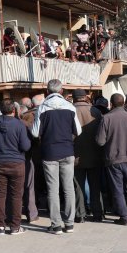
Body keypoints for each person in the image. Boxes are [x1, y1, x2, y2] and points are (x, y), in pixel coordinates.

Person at [32, 79, 82, 235]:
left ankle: (56, 225)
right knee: (68, 189)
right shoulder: (70, 107)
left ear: (47, 92)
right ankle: (70, 223)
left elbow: (34, 132)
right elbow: (78, 131)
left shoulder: (42, 109)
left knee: (52, 190)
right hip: (67, 151)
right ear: (61, 92)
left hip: (50, 153)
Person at [96, 93, 127, 225]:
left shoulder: (106, 118)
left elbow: (100, 141)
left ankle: (124, 217)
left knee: (117, 189)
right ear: (123, 103)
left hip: (113, 158)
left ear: (111, 104)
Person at [0, 99, 31, 235]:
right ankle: (15, 226)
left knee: (0, 195)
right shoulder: (19, 125)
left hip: (0, 162)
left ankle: (0, 226)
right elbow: (25, 146)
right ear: (14, 110)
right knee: (16, 196)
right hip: (17, 163)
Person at [72, 89, 104, 223]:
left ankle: (80, 214)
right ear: (85, 97)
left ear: (73, 98)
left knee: (78, 186)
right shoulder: (95, 111)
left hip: (76, 155)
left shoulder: (70, 111)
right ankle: (98, 213)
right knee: (95, 186)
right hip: (95, 153)